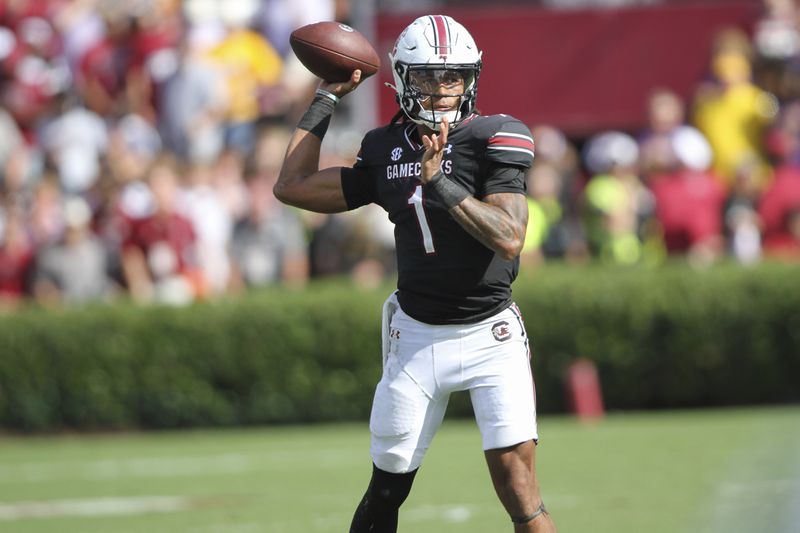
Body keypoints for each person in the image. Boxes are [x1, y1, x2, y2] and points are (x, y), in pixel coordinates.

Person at [274, 14, 556, 533]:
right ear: (402, 77)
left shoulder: (497, 134)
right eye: (426, 76)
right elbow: (292, 186)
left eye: (452, 77)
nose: (442, 89)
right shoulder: (384, 147)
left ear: (471, 78)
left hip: (490, 332)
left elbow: (509, 236)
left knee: (519, 488)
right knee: (386, 488)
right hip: (417, 336)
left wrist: (442, 187)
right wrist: (326, 97)